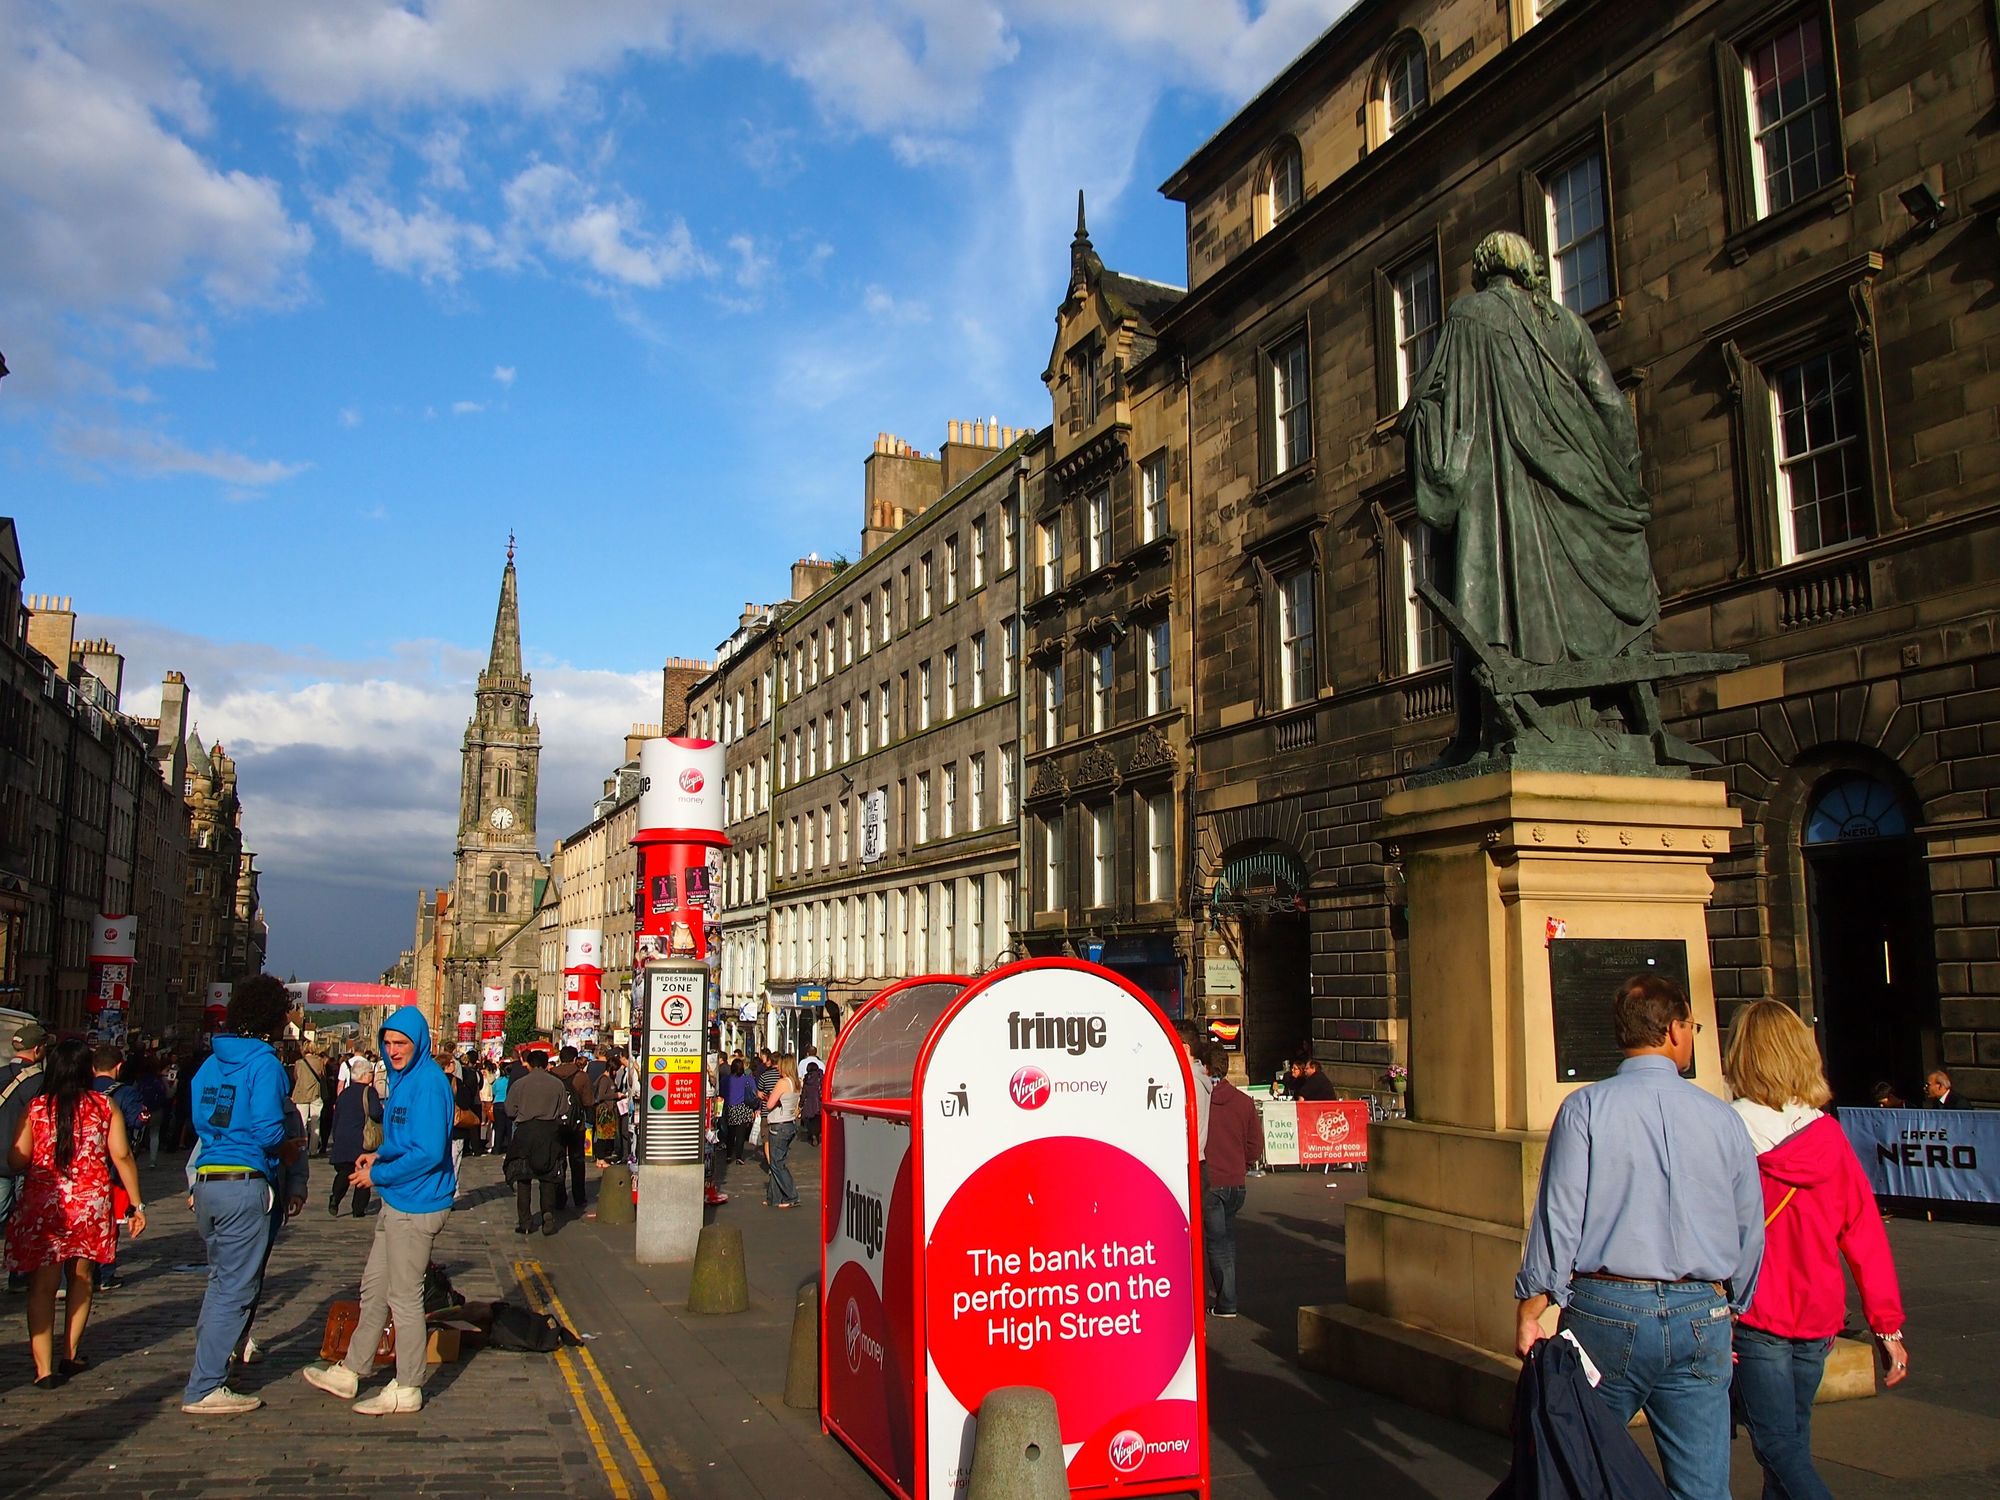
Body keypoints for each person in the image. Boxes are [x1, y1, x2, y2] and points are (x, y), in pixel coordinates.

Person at [1514, 975, 1764, 1500]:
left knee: (1576, 1468)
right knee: (1702, 1489)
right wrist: (1733, 1302)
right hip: (1702, 1307)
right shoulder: (1721, 1117)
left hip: (1608, 1306)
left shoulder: (1586, 1108)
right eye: (1691, 1026)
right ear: (1674, 1030)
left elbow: (1559, 1217)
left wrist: (1533, 1307)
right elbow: (1748, 1227)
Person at [1724, 1001, 1908, 1500]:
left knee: (1778, 1448)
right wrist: (1886, 1325)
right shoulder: (1829, 1135)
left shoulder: (1724, 1130)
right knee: (1790, 1448)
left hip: (1754, 1311)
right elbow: (1863, 1233)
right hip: (1818, 1313)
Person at [302, 1005, 455, 1415]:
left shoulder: (428, 1083)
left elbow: (428, 1152)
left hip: (418, 1203)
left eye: (401, 1043)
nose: (393, 1050)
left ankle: (408, 1385)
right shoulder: (403, 1081)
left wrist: (380, 1176)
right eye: (388, 1043)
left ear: (418, 1042)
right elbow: (401, 1138)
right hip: (397, 1200)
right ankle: (352, 1368)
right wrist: (378, 1156)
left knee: (405, 1299)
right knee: (373, 1290)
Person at [181, 976, 301, 1415]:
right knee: (236, 1288)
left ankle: (209, 1369)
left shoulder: (211, 1062)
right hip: (245, 1182)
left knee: (220, 1284)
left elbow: (201, 1119)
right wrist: (287, 1148)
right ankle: (204, 1385)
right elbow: (270, 1129)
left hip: (208, 1180)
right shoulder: (264, 1062)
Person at [7, 1038, 146, 1388]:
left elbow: (17, 1158)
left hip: (45, 1202)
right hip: (89, 1202)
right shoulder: (103, 1105)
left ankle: (43, 1370)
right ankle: (70, 1353)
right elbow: (122, 1156)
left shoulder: (37, 1108)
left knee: (42, 1285)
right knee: (82, 1278)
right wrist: (135, 1203)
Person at [1202, 1045, 1263, 1319]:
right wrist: (1243, 1165)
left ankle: (1227, 1302)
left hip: (1212, 1182)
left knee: (1217, 1244)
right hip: (1236, 1182)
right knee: (1226, 1241)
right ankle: (1227, 1297)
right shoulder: (1244, 1101)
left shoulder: (1200, 1100)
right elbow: (1255, 1145)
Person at [0, 1022, 49, 1289]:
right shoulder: (39, 1083)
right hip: (25, 1159)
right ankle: (19, 1272)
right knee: (25, 1219)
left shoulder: (0, 1075)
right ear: (38, 1049)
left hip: (0, 1158)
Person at [503, 1050, 568, 1236]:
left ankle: (525, 1222)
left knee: (523, 1177)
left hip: (525, 1131)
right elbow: (563, 1108)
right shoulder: (557, 1084)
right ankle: (548, 1214)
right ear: (547, 1064)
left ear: (529, 1065)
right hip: (549, 1132)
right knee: (547, 1176)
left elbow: (509, 1110)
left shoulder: (520, 1084)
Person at [327, 1057, 384, 1217]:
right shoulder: (369, 1091)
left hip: (343, 1137)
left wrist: (336, 1135)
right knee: (363, 1172)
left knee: (344, 1172)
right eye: (371, 1073)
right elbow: (375, 1113)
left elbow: (336, 1116)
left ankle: (335, 1198)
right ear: (365, 1075)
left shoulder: (344, 1093)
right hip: (361, 1138)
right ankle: (358, 1208)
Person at [549, 1046, 592, 1210]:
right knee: (577, 1161)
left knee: (558, 1159)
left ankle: (559, 1197)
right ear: (575, 1059)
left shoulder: (551, 1075)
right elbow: (588, 1102)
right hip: (577, 1125)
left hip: (556, 1124)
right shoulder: (582, 1077)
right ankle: (579, 1197)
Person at [762, 1054, 801, 1209]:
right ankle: (774, 1197)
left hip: (779, 1125)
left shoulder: (782, 1083)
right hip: (790, 1123)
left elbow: (770, 1104)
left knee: (776, 1163)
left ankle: (792, 1196)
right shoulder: (796, 1083)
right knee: (777, 1161)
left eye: (779, 1065)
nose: (777, 1067)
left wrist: (768, 1097)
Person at [288, 1043, 325, 1159]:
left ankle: (302, 1147)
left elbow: (296, 1077)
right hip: (316, 1094)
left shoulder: (299, 1063)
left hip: (301, 1094)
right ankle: (313, 1150)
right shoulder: (320, 1061)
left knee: (301, 1122)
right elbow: (323, 1076)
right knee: (315, 1122)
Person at [799, 1049, 825, 1147]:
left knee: (809, 1120)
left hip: (809, 1102)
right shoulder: (821, 1069)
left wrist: (800, 1104)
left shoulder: (806, 1077)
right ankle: (817, 1134)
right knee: (818, 1119)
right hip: (818, 1101)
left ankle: (812, 1134)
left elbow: (804, 1091)